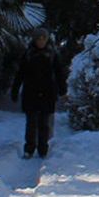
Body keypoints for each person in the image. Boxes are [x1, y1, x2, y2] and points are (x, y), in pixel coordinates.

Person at [10, 29, 67, 158]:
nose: (41, 41)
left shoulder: (53, 54)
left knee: (44, 123)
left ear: (47, 40)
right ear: (34, 40)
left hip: (47, 93)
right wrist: (15, 90)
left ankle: (43, 148)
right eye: (38, 39)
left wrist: (63, 90)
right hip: (31, 92)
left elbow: (59, 73)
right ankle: (29, 148)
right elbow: (20, 73)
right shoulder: (28, 53)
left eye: (43, 39)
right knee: (31, 123)